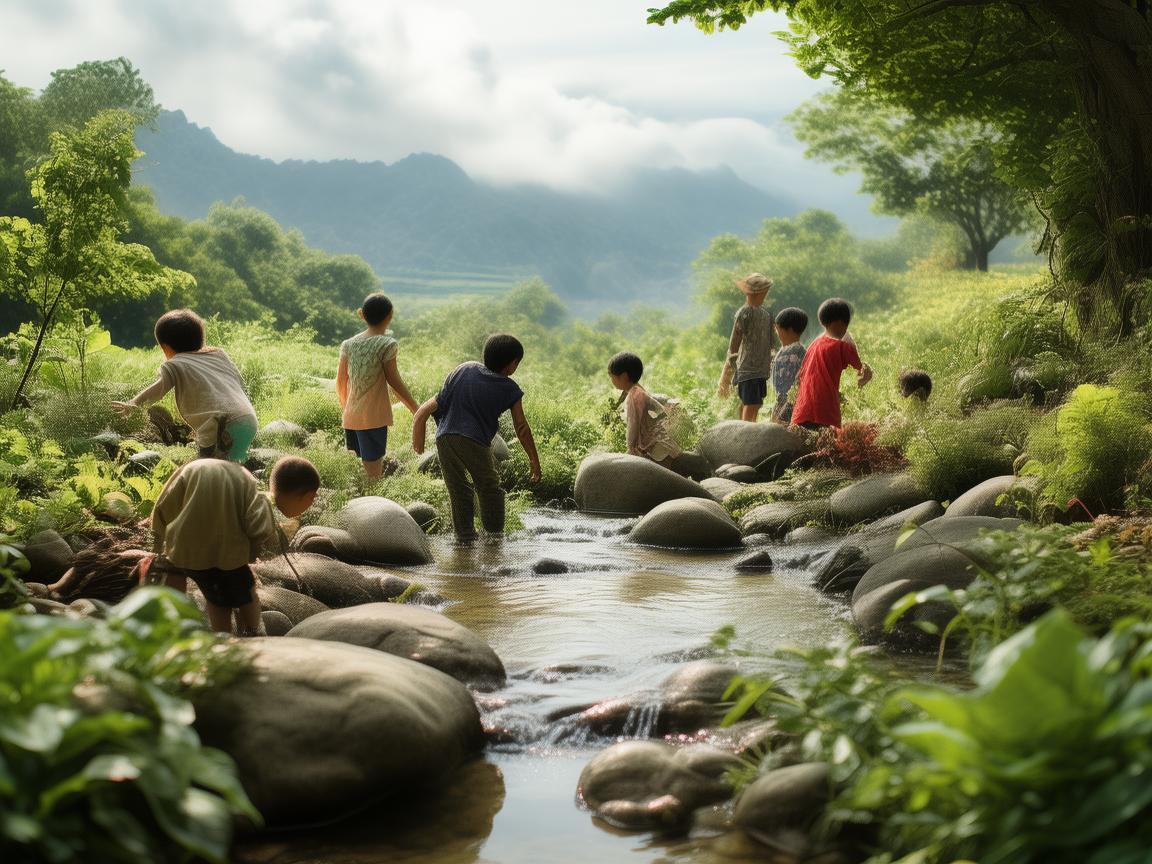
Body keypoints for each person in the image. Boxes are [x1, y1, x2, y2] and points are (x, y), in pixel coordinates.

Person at [148, 455, 320, 635]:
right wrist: (258, 554)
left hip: (181, 545)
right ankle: (247, 634)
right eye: (311, 501)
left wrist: (158, 541)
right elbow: (259, 530)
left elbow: (164, 503)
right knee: (236, 595)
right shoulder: (254, 492)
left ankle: (169, 627)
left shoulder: (200, 468)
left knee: (177, 578)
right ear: (307, 496)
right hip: (222, 556)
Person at [412, 334, 541, 542]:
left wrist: (418, 429)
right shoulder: (510, 388)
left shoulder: (465, 368)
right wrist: (534, 460)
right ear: (512, 364)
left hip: (444, 438)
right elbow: (522, 427)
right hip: (472, 440)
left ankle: (464, 538)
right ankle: (495, 537)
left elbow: (430, 406)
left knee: (458, 489)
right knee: (489, 486)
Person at [112, 309, 258, 462]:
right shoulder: (219, 355)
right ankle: (244, 478)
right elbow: (241, 385)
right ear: (201, 339)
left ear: (165, 348)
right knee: (233, 463)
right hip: (248, 419)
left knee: (205, 467)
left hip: (221, 425)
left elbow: (158, 389)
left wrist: (134, 403)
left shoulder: (175, 364)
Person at [336, 292, 420, 478]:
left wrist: (346, 409)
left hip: (351, 416)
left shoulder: (348, 344)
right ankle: (374, 503)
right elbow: (394, 380)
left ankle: (360, 501)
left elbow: (341, 382)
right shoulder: (387, 344)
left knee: (359, 469)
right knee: (374, 474)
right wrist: (415, 408)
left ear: (361, 314)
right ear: (390, 315)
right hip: (372, 418)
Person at [790, 298, 873, 430]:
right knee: (827, 446)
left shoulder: (813, 345)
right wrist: (866, 376)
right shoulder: (842, 347)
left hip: (801, 411)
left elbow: (800, 375)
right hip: (823, 411)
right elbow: (863, 370)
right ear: (842, 323)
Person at [718, 272, 776, 422]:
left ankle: (749, 431)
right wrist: (727, 373)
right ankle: (745, 434)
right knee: (749, 404)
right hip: (747, 369)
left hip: (761, 369)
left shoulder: (766, 316)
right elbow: (734, 344)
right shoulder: (744, 313)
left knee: (755, 404)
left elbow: (771, 343)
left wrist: (772, 361)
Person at [607, 351, 681, 468]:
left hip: (659, 448)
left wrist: (631, 449)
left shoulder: (634, 396)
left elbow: (633, 425)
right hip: (661, 445)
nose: (611, 380)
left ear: (624, 376)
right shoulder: (637, 390)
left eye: (612, 376)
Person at [771, 306, 809, 424]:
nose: (776, 333)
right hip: (780, 400)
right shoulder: (782, 351)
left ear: (789, 330)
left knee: (785, 427)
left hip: (792, 401)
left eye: (778, 329)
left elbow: (800, 381)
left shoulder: (800, 352)